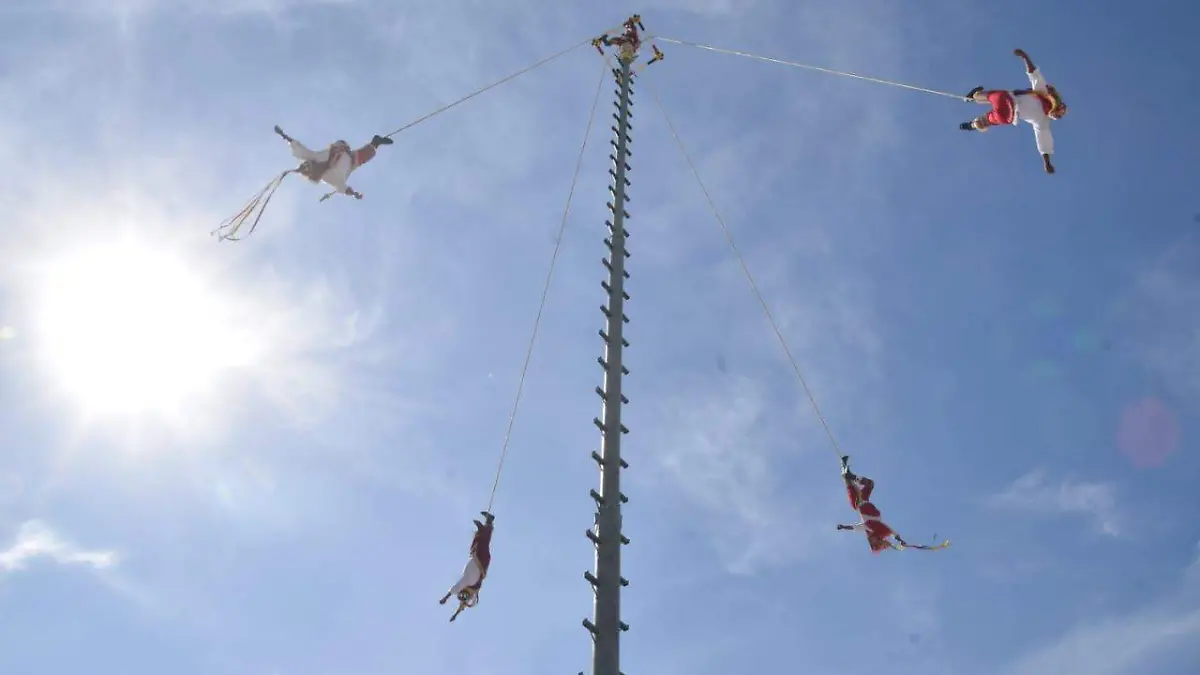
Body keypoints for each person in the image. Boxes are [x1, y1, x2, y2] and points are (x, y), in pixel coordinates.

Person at [959, 49, 1067, 174]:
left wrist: (1047, 162)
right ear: (1055, 106)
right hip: (1008, 104)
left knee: (992, 110)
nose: (1055, 116)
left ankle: (974, 116)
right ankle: (975, 97)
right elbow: (1034, 74)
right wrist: (1025, 57)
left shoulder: (1043, 121)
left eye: (1058, 117)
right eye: (1058, 113)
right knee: (995, 99)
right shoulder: (1042, 92)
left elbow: (1044, 142)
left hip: (1008, 110)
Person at [273, 125, 393, 200]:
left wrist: (283, 135)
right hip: (351, 162)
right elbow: (343, 188)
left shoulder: (315, 157)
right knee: (368, 153)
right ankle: (376, 142)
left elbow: (299, 148)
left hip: (341, 153)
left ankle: (374, 143)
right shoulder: (328, 177)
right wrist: (355, 193)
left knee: (364, 153)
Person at [837, 456, 908, 553]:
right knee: (870, 484)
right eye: (873, 542)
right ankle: (851, 475)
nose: (870, 540)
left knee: (848, 482)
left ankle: (844, 467)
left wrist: (843, 527)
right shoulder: (884, 531)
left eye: (870, 542)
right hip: (864, 498)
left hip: (857, 502)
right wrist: (900, 541)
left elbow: (854, 527)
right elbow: (894, 534)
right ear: (879, 541)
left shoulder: (868, 528)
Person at [439, 511, 495, 622]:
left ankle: (487, 524)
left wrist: (454, 612)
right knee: (482, 543)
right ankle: (485, 526)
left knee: (481, 542)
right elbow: (461, 601)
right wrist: (446, 600)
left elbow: (459, 600)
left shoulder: (466, 586)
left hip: (479, 560)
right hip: (480, 562)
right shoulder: (470, 588)